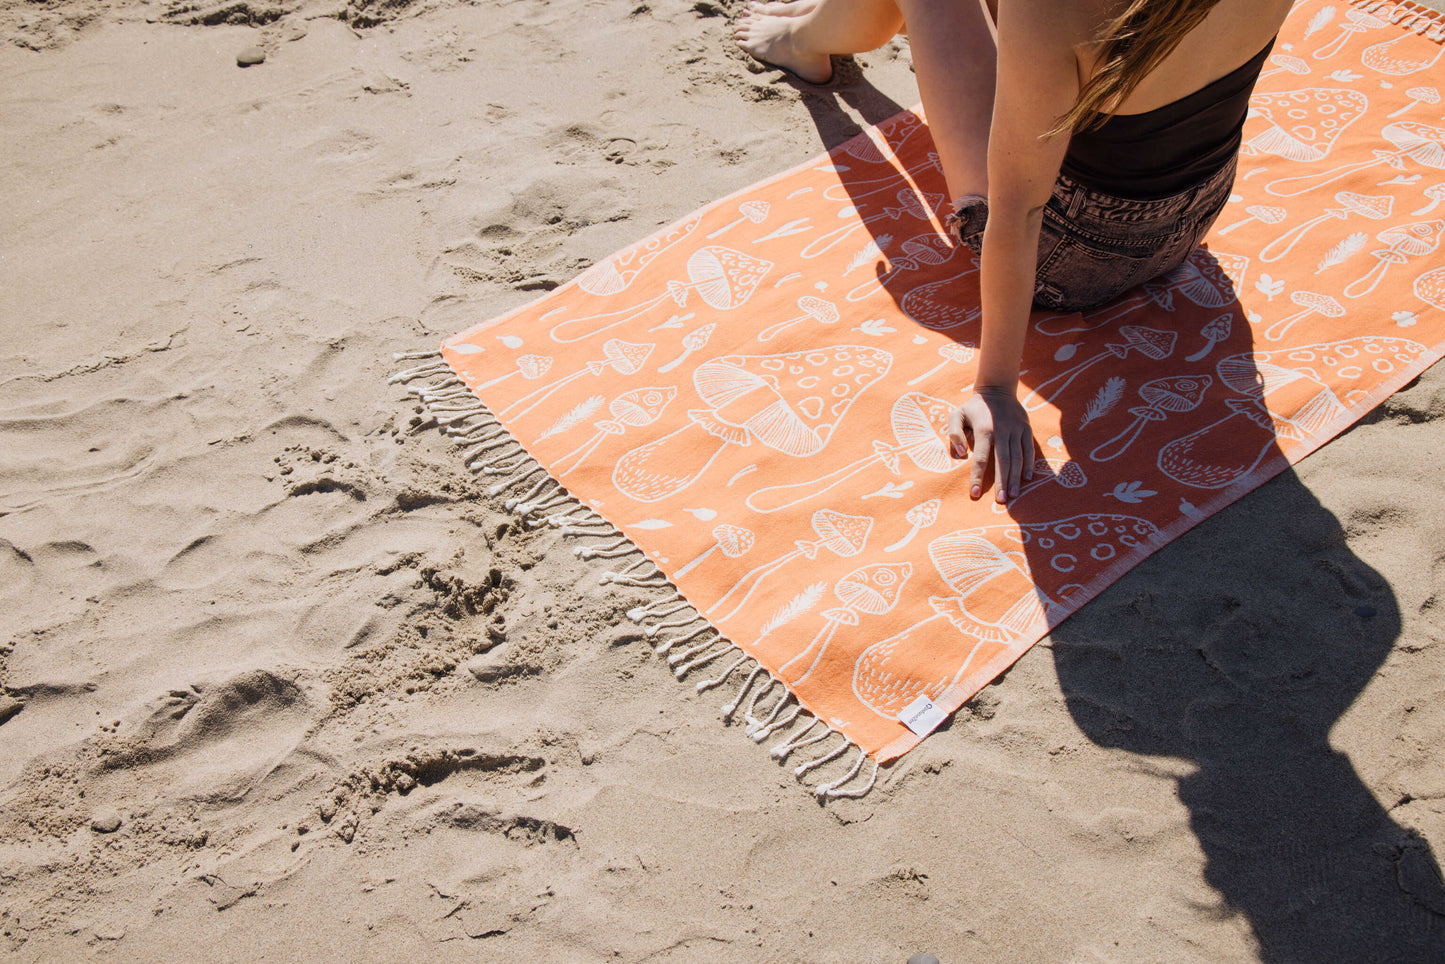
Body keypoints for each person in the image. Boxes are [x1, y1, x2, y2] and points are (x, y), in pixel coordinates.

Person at [734, 0, 1295, 503]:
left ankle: (807, 38)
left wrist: (996, 387)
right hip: (1193, 216)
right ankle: (826, 23)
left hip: (1068, 258)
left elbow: (1019, 210)